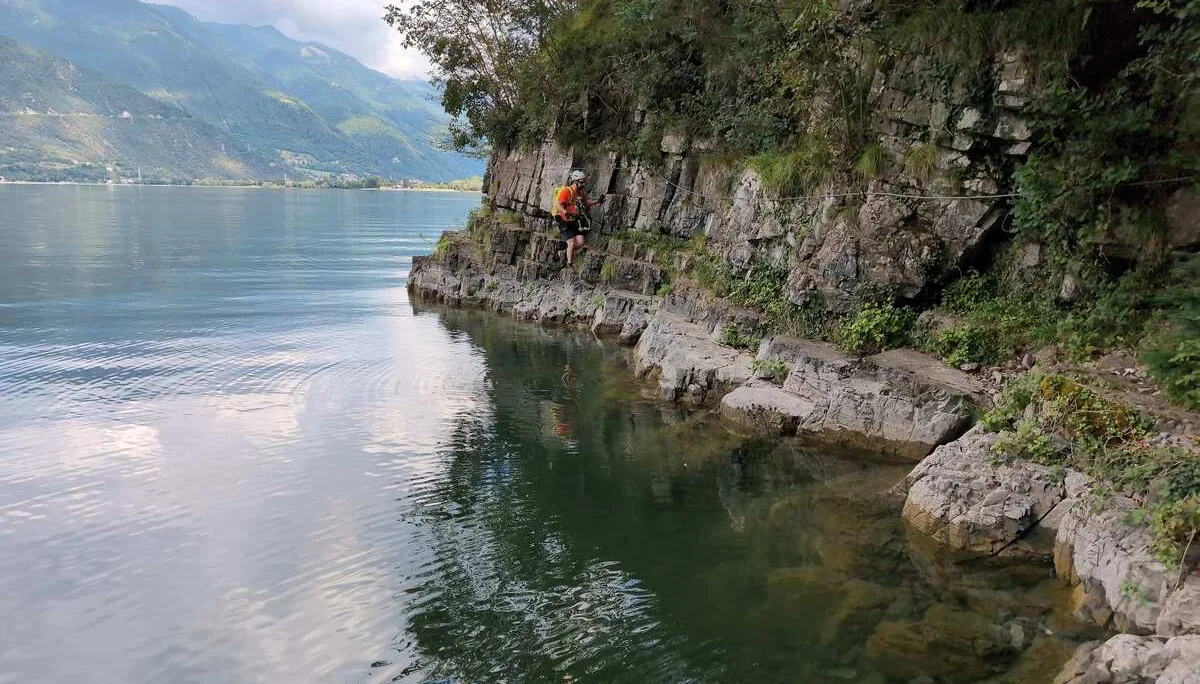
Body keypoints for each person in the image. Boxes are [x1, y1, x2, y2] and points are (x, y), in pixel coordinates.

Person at [554, 170, 604, 266]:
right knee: (572, 242)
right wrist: (566, 212)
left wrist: (598, 201)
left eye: (584, 182)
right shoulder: (566, 191)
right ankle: (569, 264)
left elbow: (586, 203)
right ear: (575, 181)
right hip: (564, 221)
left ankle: (565, 250)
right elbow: (558, 205)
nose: (583, 184)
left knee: (581, 241)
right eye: (581, 182)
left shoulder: (581, 193)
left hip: (574, 221)